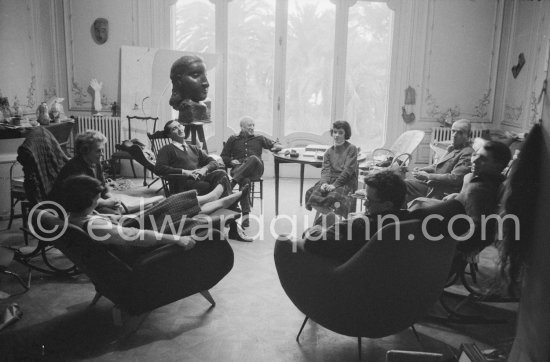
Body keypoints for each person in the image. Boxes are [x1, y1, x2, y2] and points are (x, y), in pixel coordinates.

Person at [64, 175, 244, 264]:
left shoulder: (75, 216)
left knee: (168, 204)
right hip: (135, 248)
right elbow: (135, 236)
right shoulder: (95, 226)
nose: (98, 201)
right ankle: (216, 200)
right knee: (181, 219)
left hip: (127, 232)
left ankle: (213, 198)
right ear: (86, 200)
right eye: (96, 199)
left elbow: (116, 224)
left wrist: (117, 216)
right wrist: (176, 239)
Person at [155, 120, 252, 242]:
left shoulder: (193, 148)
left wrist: (204, 169)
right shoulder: (167, 149)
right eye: (174, 128)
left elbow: (213, 162)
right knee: (222, 188)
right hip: (183, 184)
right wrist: (186, 172)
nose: (180, 129)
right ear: (169, 135)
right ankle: (233, 226)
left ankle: (215, 198)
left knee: (221, 174)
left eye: (180, 125)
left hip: (201, 180)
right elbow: (159, 168)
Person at [301, 170, 411, 263]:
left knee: (321, 223)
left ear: (387, 205)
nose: (365, 204)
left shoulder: (358, 226)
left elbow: (314, 241)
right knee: (330, 217)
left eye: (369, 200)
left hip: (341, 272)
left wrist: (313, 229)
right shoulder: (409, 219)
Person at [220, 116, 282, 227]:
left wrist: (276, 147)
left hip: (256, 169)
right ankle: (245, 216)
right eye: (249, 125)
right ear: (242, 127)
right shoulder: (233, 139)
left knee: (253, 158)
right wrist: (230, 161)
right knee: (245, 181)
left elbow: (276, 146)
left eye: (253, 125)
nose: (252, 127)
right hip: (238, 168)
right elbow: (223, 157)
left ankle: (231, 184)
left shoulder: (259, 138)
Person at [49, 130, 121, 214]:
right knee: (115, 214)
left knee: (118, 209)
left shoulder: (96, 163)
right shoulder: (74, 169)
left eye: (102, 150)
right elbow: (84, 201)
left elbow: (103, 189)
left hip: (91, 204)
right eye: (98, 151)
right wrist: (107, 203)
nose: (102, 154)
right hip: (73, 209)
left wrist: (112, 199)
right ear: (85, 151)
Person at [405, 119, 474, 203]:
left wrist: (428, 176)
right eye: (453, 131)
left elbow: (455, 178)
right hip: (434, 186)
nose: (454, 135)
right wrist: (422, 170)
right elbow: (437, 166)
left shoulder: (467, 152)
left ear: (468, 135)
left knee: (404, 186)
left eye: (460, 133)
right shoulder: (454, 148)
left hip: (443, 192)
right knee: (403, 184)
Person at [305, 120, 358, 217]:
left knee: (334, 197)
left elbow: (348, 171)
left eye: (340, 132)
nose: (337, 135)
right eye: (335, 132)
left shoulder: (351, 148)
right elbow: (326, 170)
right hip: (330, 180)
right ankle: (329, 219)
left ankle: (332, 220)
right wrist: (324, 183)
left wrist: (334, 185)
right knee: (311, 194)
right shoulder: (328, 152)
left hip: (346, 181)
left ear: (346, 134)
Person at [169, 55, 211, 127]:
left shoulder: (203, 107)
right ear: (179, 80)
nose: (206, 83)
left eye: (205, 75)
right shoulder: (187, 107)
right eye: (196, 75)